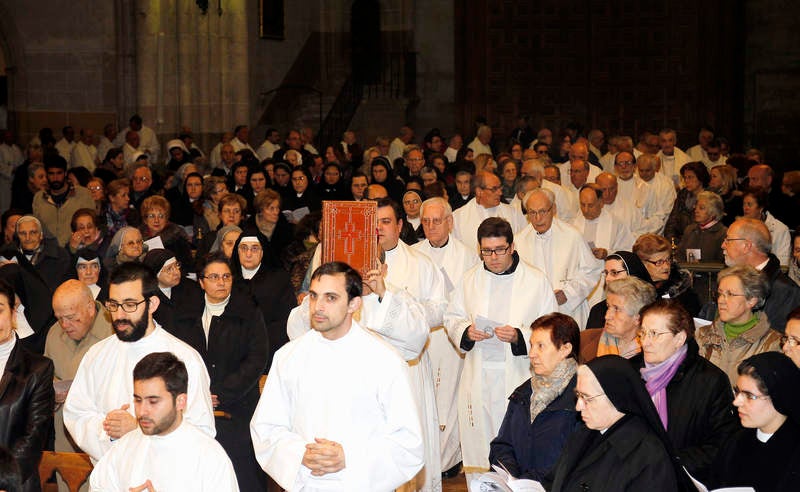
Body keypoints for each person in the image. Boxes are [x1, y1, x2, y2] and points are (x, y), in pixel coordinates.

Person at [251, 262, 424, 490]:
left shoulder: (384, 360)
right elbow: (266, 427)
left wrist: (348, 457)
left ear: (354, 303)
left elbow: (408, 443)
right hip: (307, 482)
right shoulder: (288, 357)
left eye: (330, 298)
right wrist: (300, 453)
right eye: (314, 296)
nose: (318, 307)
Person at [63, 262, 215, 463]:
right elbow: (77, 414)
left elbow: (201, 430)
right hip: (111, 472)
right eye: (114, 305)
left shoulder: (184, 358)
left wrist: (138, 429)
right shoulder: (97, 355)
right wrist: (107, 430)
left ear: (152, 304)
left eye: (130, 305)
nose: (119, 315)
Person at [444, 217, 558, 484]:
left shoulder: (535, 280)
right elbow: (452, 316)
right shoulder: (470, 279)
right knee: (481, 448)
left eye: (499, 250)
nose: (493, 257)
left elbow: (552, 326)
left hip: (518, 376)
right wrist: (466, 331)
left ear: (512, 246)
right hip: (478, 376)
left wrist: (520, 335)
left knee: (515, 450)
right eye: (486, 251)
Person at [171, 253, 268, 490]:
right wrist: (201, 393)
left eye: (226, 277)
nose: (221, 282)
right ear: (201, 282)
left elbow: (257, 358)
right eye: (214, 277)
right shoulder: (186, 313)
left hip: (239, 405)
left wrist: (221, 393)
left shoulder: (248, 311)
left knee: (243, 475)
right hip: (196, 405)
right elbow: (178, 358)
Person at [89, 352, 239, 491]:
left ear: (180, 401)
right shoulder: (124, 448)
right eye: (138, 400)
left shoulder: (209, 456)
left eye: (153, 402)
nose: (142, 411)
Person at [548, 355, 689, 492]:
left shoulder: (648, 457)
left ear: (615, 397)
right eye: (578, 395)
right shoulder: (581, 434)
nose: (578, 406)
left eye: (587, 398)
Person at [633, 300, 738, 482]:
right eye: (643, 333)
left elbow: (721, 445)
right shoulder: (629, 372)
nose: (645, 342)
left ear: (679, 338)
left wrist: (669, 463)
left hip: (681, 478)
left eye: (655, 334)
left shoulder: (710, 381)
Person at [412, 197, 479, 476]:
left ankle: (449, 460)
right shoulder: (413, 254)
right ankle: (426, 458)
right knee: (424, 398)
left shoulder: (467, 256)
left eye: (437, 221)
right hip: (423, 338)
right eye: (426, 221)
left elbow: (472, 297)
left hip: (450, 338)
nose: (431, 227)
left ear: (450, 222)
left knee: (449, 398)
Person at [489, 313, 580, 481]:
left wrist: (529, 482)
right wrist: (511, 476)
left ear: (565, 349)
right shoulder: (523, 393)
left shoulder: (583, 397)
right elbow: (502, 445)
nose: (531, 354)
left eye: (540, 346)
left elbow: (575, 461)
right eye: (531, 345)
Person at [710, 353, 800, 491]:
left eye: (749, 396)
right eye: (737, 392)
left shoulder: (794, 454)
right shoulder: (735, 441)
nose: (736, 402)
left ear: (777, 397)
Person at [515, 188, 602, 328]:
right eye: (532, 212)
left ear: (554, 209)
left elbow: (592, 271)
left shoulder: (572, 236)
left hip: (568, 310)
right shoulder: (519, 241)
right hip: (535, 313)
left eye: (543, 211)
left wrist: (569, 294)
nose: (538, 218)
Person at [0, 280, 54, 492]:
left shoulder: (38, 368)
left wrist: (4, 480)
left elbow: (34, 435)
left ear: (13, 314)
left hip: (15, 483)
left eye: (0, 310)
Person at [696, 265, 782, 384]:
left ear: (752, 300)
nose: (721, 300)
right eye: (720, 294)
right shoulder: (701, 335)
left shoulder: (773, 344)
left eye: (730, 294)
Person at [722, 218, 800, 332]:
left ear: (746, 246)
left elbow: (777, 337)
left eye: (728, 240)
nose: (723, 245)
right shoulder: (728, 280)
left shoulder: (787, 292)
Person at [581, 277, 656, 362]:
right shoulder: (584, 340)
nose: (607, 316)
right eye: (608, 306)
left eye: (616, 309)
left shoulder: (651, 352)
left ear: (638, 318)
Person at [451, 171, 527, 253]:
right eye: (494, 189)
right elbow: (456, 250)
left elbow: (523, 243)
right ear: (479, 191)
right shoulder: (458, 218)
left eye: (500, 188)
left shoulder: (514, 214)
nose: (500, 193)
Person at [32, 155, 95, 247]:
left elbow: (92, 224)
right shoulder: (39, 198)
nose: (55, 178)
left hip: (77, 248)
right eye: (51, 174)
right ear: (47, 175)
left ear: (65, 173)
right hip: (48, 251)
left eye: (59, 173)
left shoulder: (83, 194)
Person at [633, 233, 702, 316]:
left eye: (668, 259)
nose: (666, 266)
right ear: (642, 264)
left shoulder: (681, 288)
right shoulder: (634, 289)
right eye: (659, 262)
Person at [141, 248, 203, 333]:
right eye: (169, 269)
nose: (176, 272)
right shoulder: (145, 295)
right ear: (155, 274)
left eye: (176, 265)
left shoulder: (192, 288)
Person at [585, 251, 652, 329]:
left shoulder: (651, 309)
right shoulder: (597, 310)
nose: (607, 278)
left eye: (614, 273)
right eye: (606, 273)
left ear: (632, 274)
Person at [741, 187, 791, 265]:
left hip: (771, 271)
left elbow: (783, 263)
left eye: (749, 204)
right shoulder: (740, 227)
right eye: (744, 204)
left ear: (761, 208)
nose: (745, 208)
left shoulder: (780, 229)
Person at [676, 190, 727, 264]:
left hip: (711, 271)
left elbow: (723, 262)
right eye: (696, 207)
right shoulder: (690, 230)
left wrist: (701, 265)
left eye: (701, 208)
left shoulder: (723, 233)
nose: (696, 210)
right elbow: (679, 255)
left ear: (713, 212)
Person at [664, 161, 710, 242]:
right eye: (685, 177)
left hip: (700, 240)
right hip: (679, 240)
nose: (686, 181)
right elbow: (672, 221)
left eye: (690, 177)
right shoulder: (682, 194)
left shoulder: (710, 198)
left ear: (701, 178)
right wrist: (672, 241)